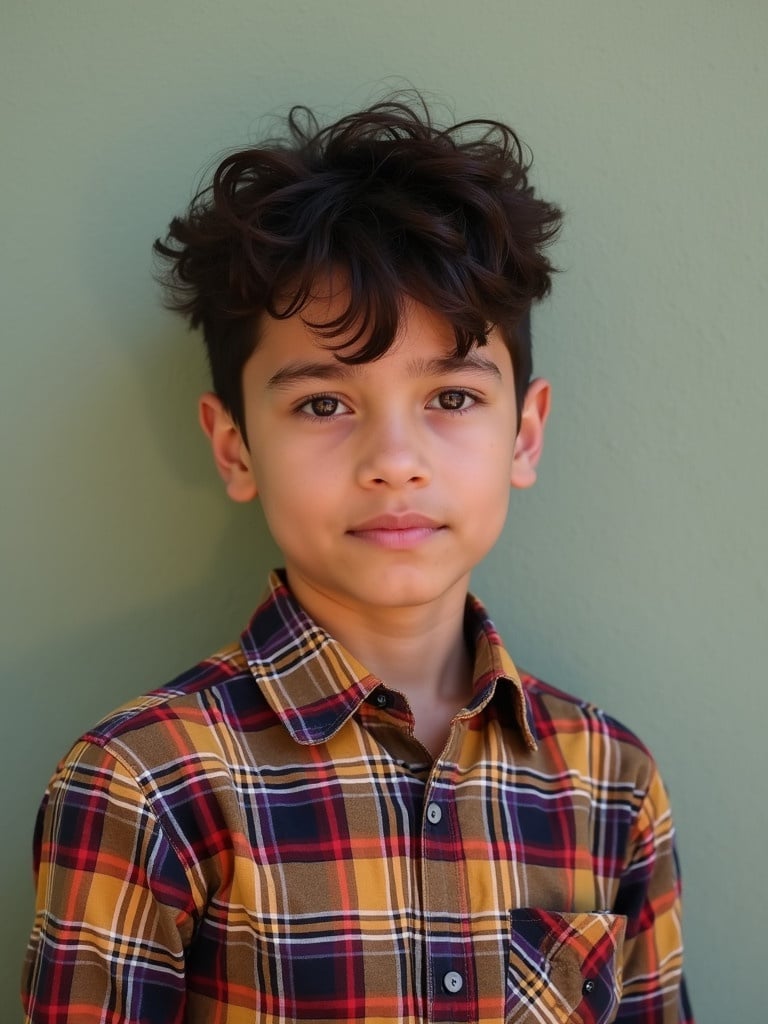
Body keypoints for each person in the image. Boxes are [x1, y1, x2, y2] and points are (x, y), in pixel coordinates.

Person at [22, 95, 694, 1023]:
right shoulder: (145, 784)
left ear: (525, 435)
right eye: (323, 405)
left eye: (453, 398)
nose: (394, 462)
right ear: (234, 447)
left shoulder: (611, 781)